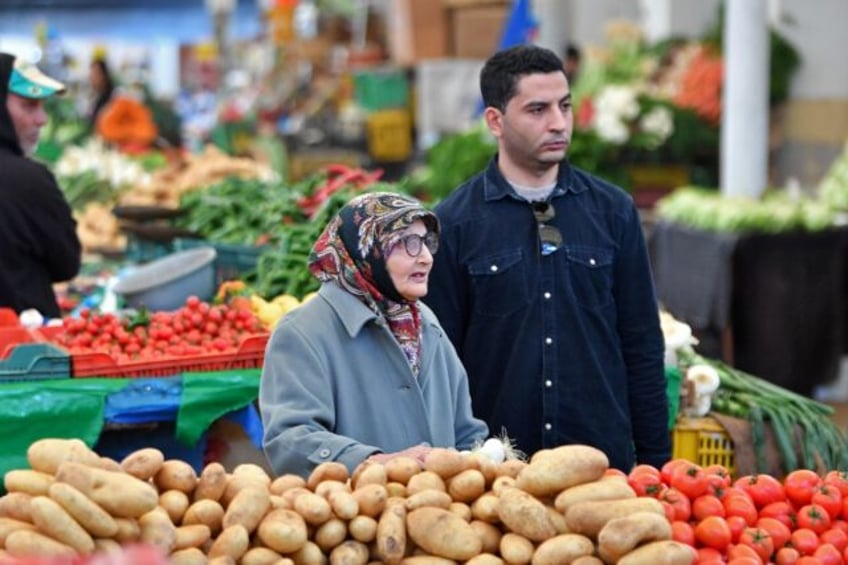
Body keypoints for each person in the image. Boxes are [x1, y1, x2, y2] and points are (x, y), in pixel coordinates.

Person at [423, 45, 670, 471]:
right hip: (497, 472)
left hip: (601, 466)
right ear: (495, 121)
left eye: (565, 105)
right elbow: (437, 367)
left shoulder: (613, 211)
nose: (558, 123)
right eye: (537, 109)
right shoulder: (455, 224)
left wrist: (656, 465)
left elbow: (642, 343)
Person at [259, 192, 488, 477]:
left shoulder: (425, 323)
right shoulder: (302, 331)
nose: (427, 258)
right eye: (408, 243)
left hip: (436, 510)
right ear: (366, 250)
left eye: (427, 242)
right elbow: (290, 441)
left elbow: (464, 430)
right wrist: (375, 463)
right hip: (354, 515)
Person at [0, 53, 81, 319]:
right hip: (23, 350)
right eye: (29, 105)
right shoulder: (28, 180)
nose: (42, 119)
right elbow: (66, 264)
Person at [87, 57, 115, 130]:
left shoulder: (114, 97)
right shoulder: (95, 96)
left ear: (104, 75)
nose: (91, 78)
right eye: (91, 74)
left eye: (95, 74)